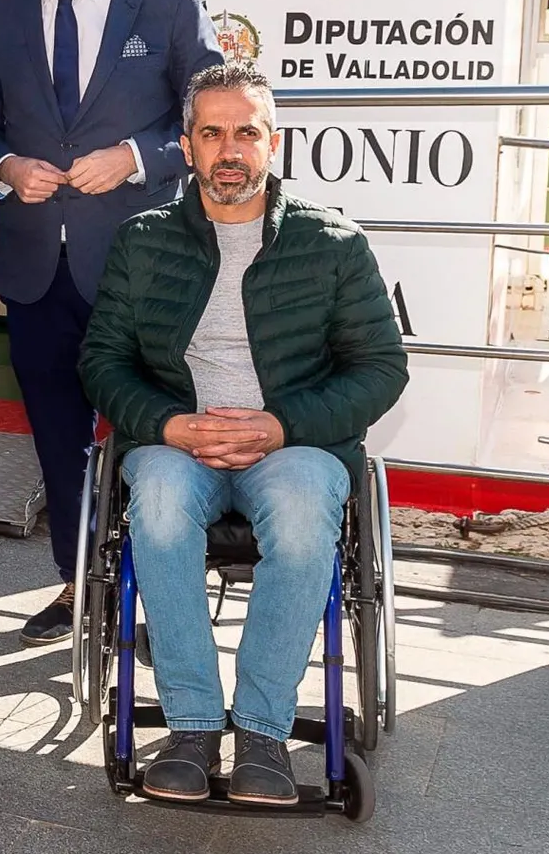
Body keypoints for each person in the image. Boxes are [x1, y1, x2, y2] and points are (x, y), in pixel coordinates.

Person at [79, 63, 408, 806]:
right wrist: (171, 425)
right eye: (212, 133)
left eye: (246, 133)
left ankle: (261, 728)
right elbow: (101, 361)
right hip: (176, 445)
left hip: (291, 447)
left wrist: (279, 424)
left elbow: (381, 368)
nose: (230, 150)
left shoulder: (333, 244)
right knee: (155, 504)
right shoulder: (144, 241)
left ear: (274, 142)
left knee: (301, 516)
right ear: (188, 146)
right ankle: (193, 726)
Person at [0, 0, 224, 646]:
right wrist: (6, 165)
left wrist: (139, 158)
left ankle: (151, 589)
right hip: (38, 269)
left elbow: (214, 124)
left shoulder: (171, 4)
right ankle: (81, 585)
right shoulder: (2, 14)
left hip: (146, 271)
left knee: (152, 437)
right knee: (57, 439)